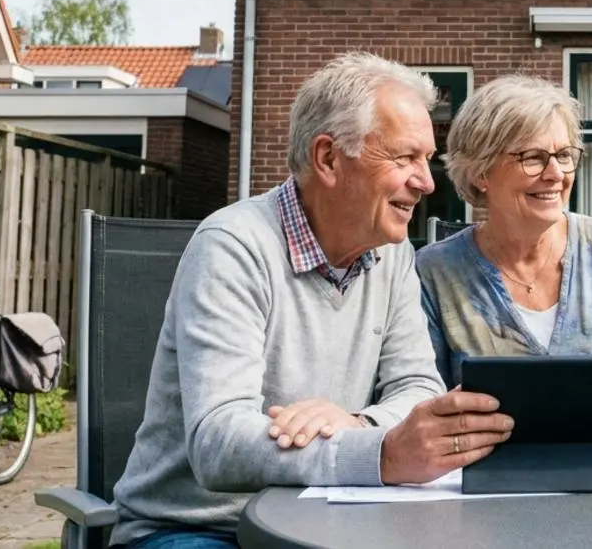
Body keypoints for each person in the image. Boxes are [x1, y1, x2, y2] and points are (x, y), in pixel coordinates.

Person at [110, 52, 515, 549]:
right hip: (199, 527)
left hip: (329, 517)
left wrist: (357, 423)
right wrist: (381, 453)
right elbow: (217, 442)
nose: (427, 182)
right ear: (328, 159)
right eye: (404, 158)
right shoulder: (234, 246)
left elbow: (417, 387)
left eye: (427, 160)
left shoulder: (392, 258)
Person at [416, 73, 592, 388]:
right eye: (533, 157)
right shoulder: (434, 273)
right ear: (480, 172)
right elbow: (424, 401)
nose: (556, 174)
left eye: (564, 155)